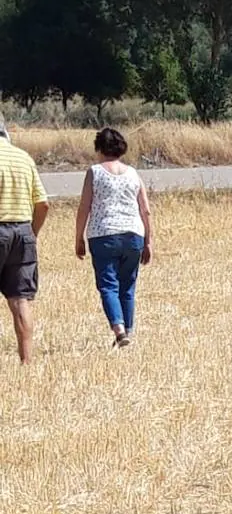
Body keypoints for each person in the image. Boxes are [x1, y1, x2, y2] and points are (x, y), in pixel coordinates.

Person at [74, 127, 152, 349]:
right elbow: (145, 210)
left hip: (103, 234)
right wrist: (148, 241)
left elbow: (84, 207)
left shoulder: (95, 172)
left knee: (108, 285)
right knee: (128, 286)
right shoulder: (133, 173)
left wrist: (78, 237)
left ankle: (118, 330)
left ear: (99, 148)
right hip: (133, 234)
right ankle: (128, 331)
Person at [0, 118, 49, 364]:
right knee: (20, 300)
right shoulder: (24, 158)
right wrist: (32, 232)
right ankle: (27, 361)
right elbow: (43, 203)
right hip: (22, 231)